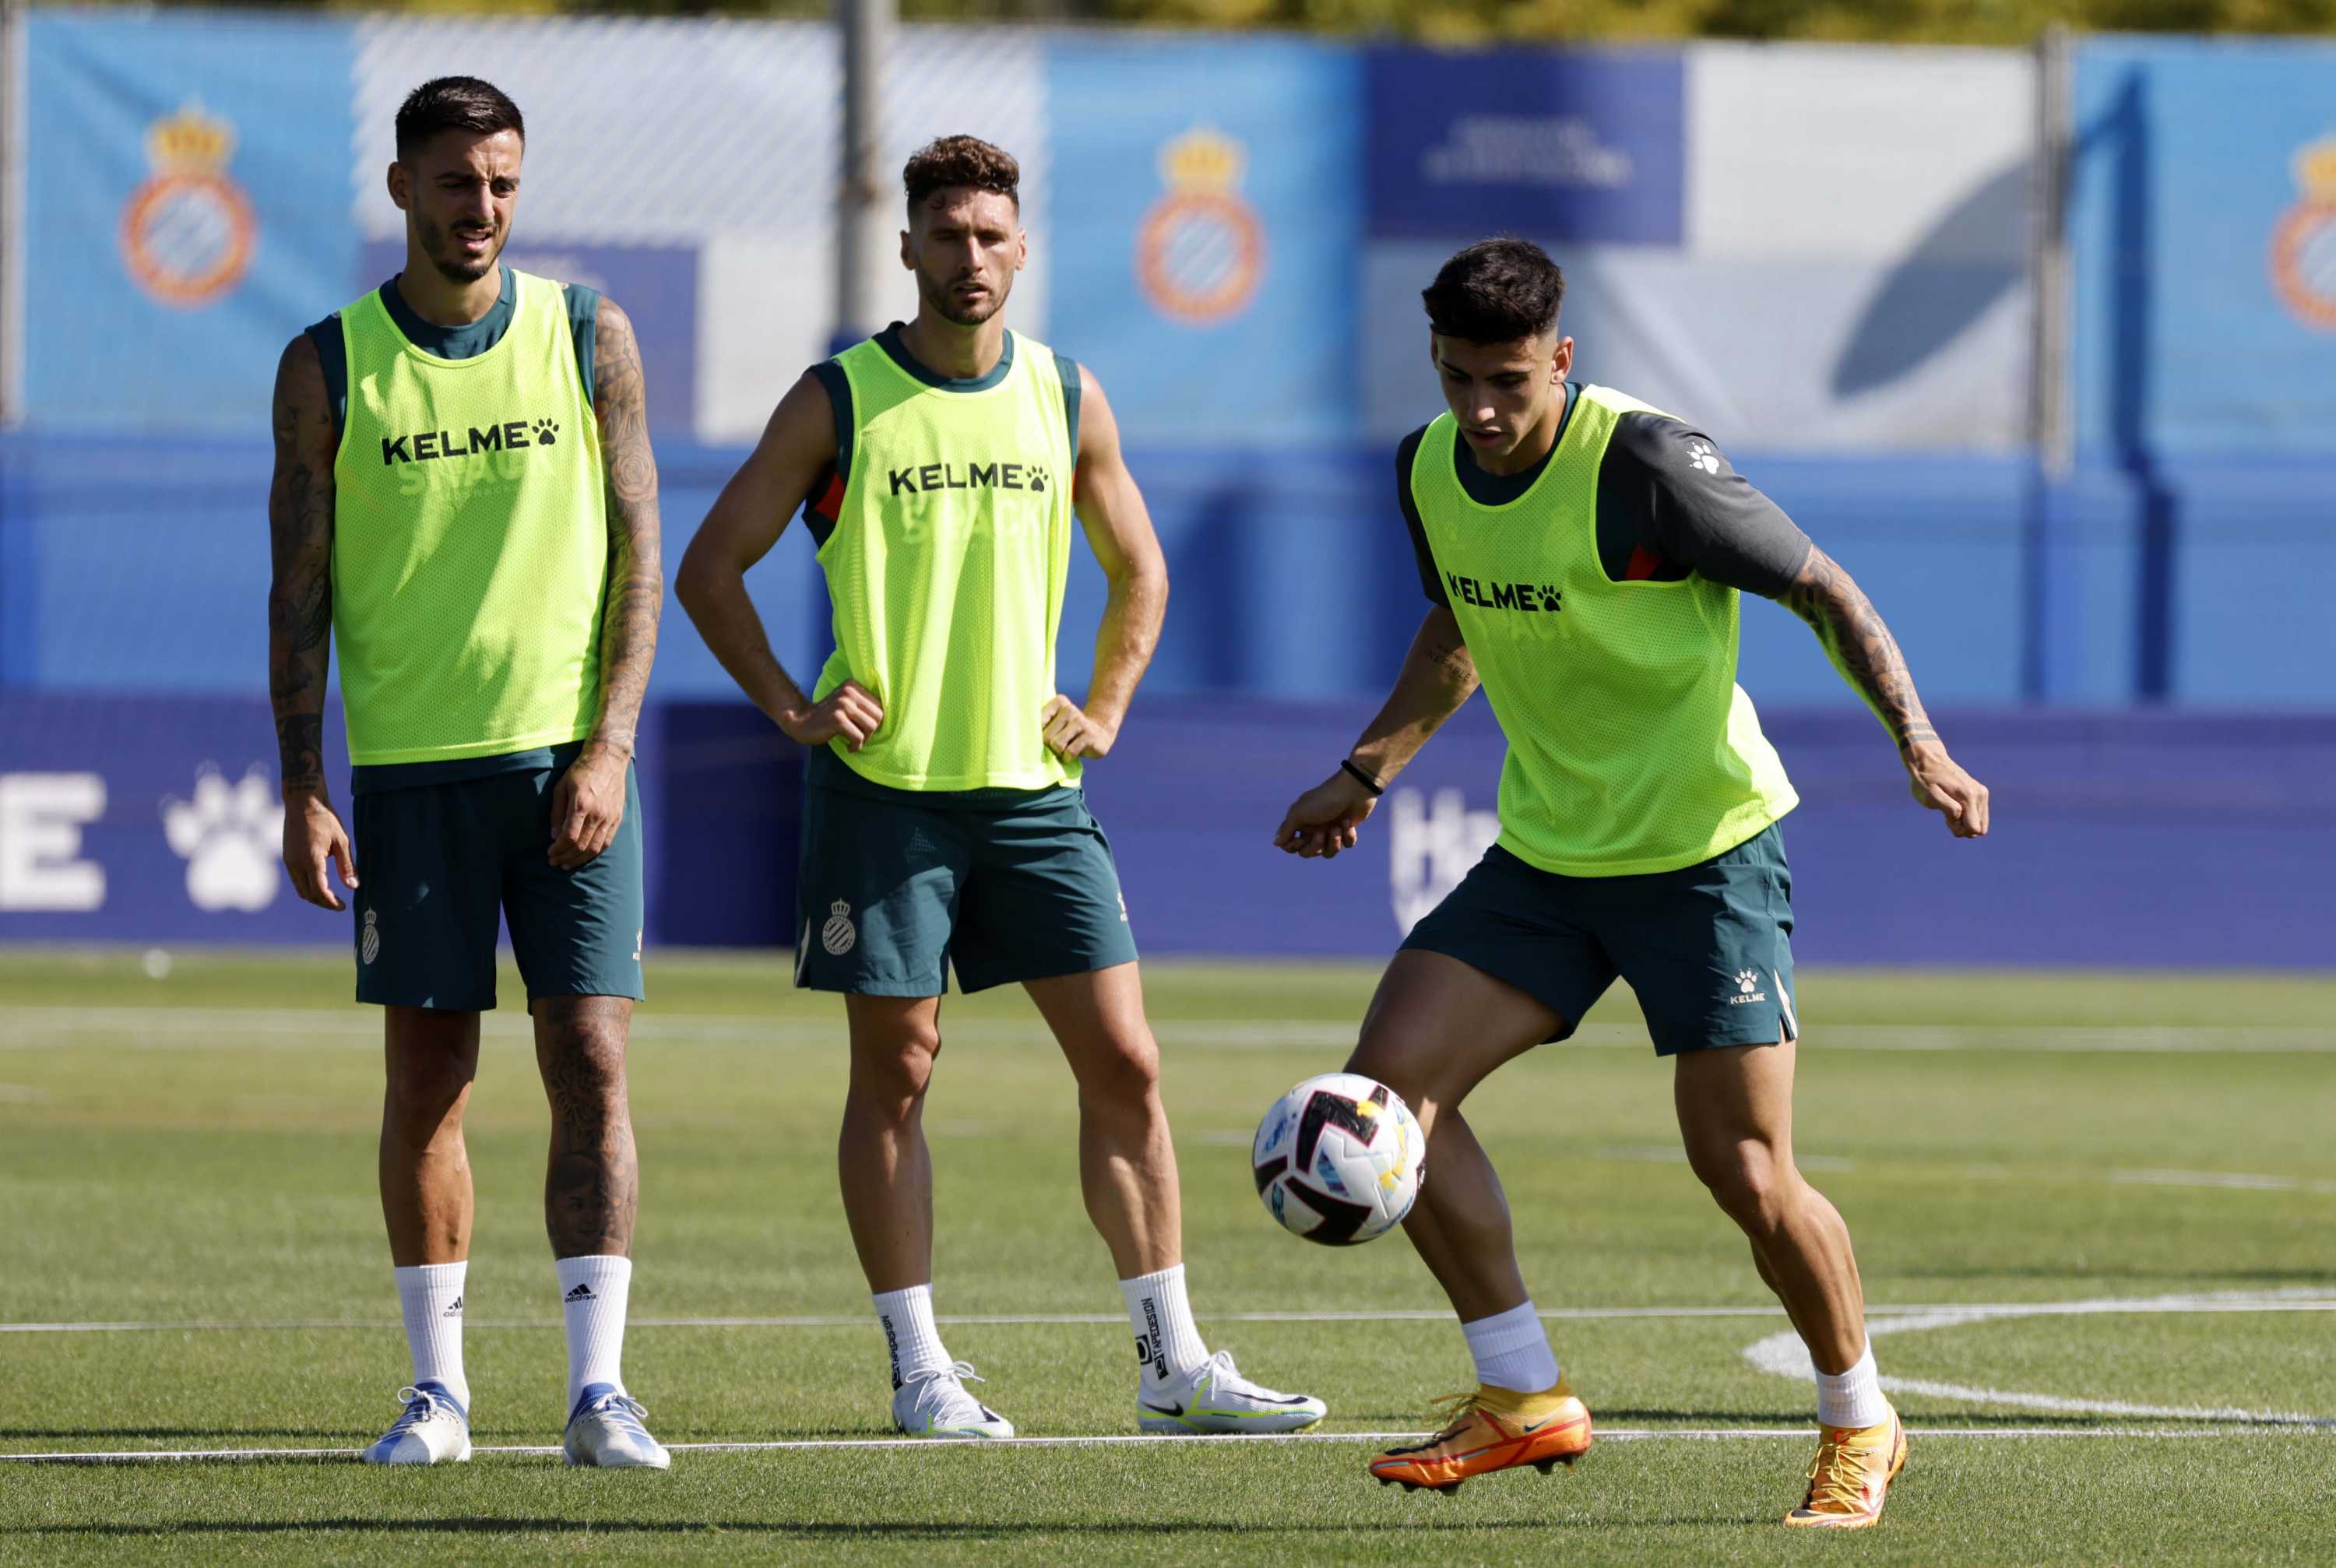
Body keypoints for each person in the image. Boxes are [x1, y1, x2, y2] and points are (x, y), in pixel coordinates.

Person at [1272, 239, 1990, 1528]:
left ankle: (1860, 1419)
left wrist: (1919, 742)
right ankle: (1521, 1392)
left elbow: (1821, 587)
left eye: (1506, 381)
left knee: (1748, 1171)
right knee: (1386, 1102)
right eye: (1455, 379)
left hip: (1704, 854)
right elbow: (1459, 628)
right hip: (1549, 857)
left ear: (1561, 357)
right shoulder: (1428, 468)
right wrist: (1367, 768)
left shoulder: (1646, 465)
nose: (1480, 411)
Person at [677, 134, 1323, 1440]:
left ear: (1022, 249)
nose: (969, 255)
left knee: (1127, 1063)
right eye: (947, 234)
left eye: (990, 234)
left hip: (1034, 796)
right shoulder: (840, 399)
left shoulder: (1066, 395)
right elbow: (710, 566)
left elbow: (1141, 568)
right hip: (886, 796)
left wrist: (1108, 707)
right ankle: (921, 1371)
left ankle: (1173, 1365)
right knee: (899, 1072)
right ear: (907, 247)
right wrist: (794, 707)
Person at [267, 76, 667, 1469]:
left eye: (501, 182)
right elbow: (298, 591)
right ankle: (438, 1393)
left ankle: (599, 1391)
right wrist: (303, 781)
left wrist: (610, 744)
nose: (481, 207)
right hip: (412, 775)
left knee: (591, 1059)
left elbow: (640, 553)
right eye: (455, 182)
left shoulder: (588, 333)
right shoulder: (329, 364)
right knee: (429, 1079)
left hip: (568, 767)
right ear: (402, 189)